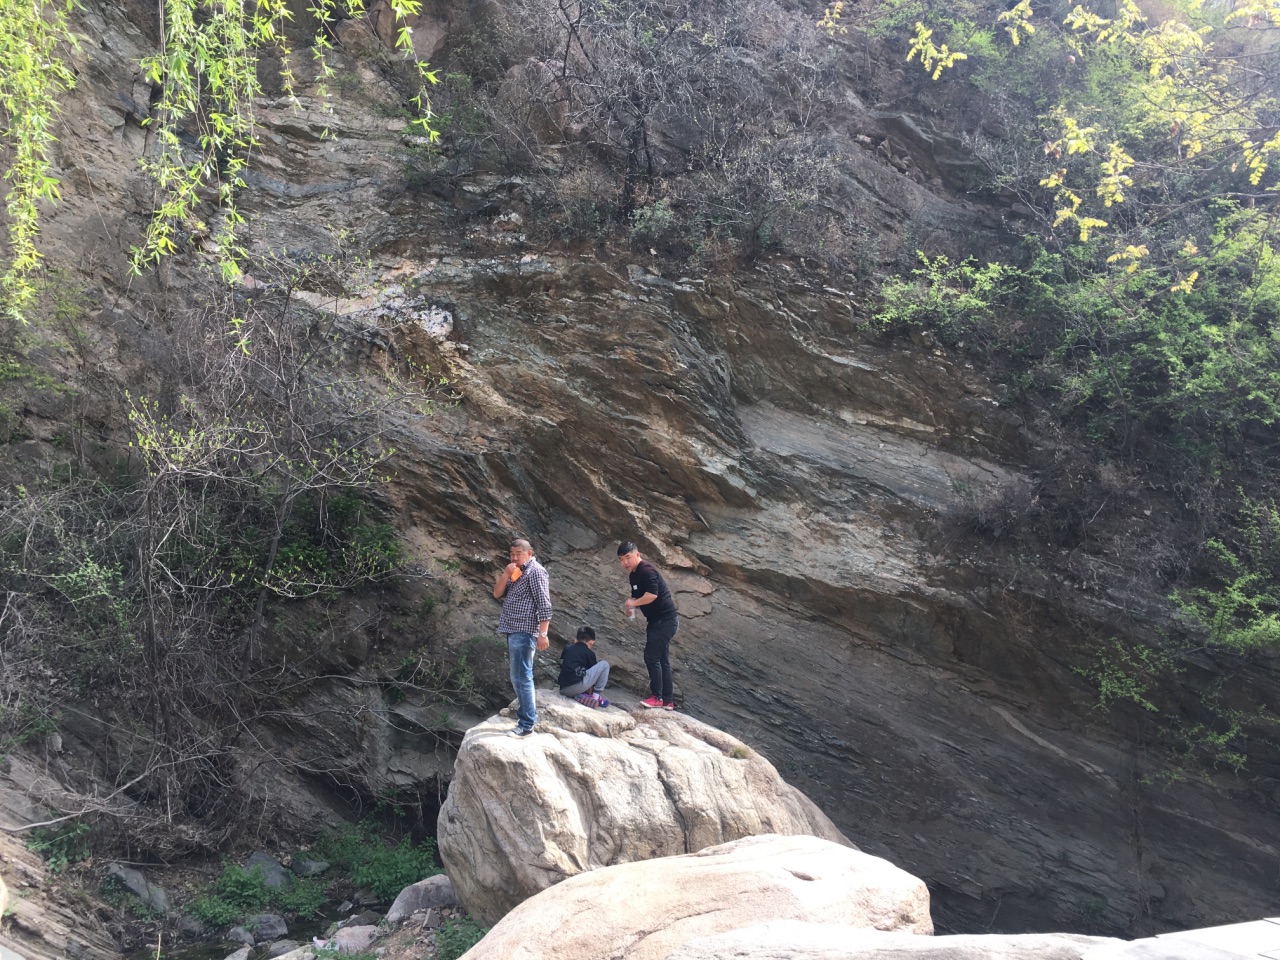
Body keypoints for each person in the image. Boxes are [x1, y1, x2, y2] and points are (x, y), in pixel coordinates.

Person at [494, 538, 552, 737]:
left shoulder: (536, 571)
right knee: (517, 676)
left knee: (522, 676)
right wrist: (506, 573)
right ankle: (525, 718)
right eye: (512, 554)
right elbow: (497, 593)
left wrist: (543, 633)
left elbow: (544, 604)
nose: (514, 557)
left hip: (525, 630)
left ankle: (526, 724)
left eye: (518, 553)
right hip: (512, 628)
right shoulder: (516, 571)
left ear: (529, 553)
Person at [617, 541, 678, 710]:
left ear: (637, 554)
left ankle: (657, 697)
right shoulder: (634, 575)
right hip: (656, 621)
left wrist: (633, 603)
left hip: (665, 620)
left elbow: (651, 595)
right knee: (662, 660)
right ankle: (667, 700)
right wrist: (632, 608)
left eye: (628, 558)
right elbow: (637, 598)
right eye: (621, 560)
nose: (625, 563)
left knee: (651, 657)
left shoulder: (647, 570)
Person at [559, 626, 610, 708]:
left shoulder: (567, 648)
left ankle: (580, 695)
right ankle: (595, 697)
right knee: (605, 665)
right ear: (591, 643)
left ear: (576, 639)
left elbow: (562, 664)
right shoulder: (589, 653)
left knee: (578, 671)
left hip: (563, 689)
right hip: (577, 687)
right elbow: (593, 677)